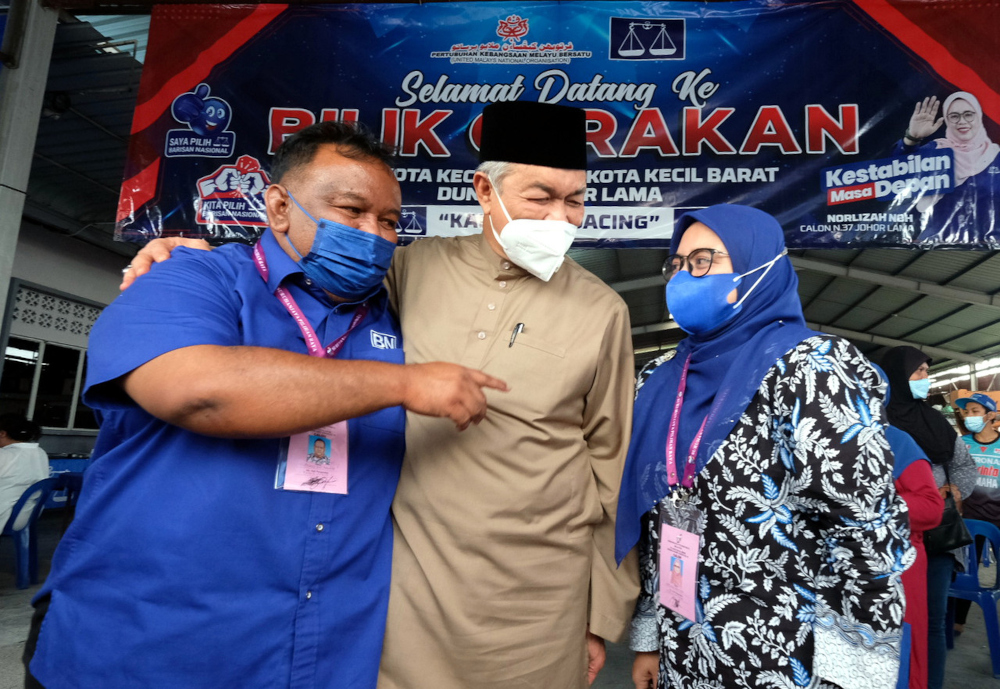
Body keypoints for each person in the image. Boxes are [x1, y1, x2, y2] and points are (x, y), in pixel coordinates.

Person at [121, 101, 639, 688]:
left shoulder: (604, 310)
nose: (559, 218)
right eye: (539, 197)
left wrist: (602, 613)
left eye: (574, 200)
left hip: (540, 599)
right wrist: (195, 255)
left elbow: (612, 464)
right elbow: (302, 278)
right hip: (408, 590)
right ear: (484, 191)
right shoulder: (409, 268)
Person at [23, 121, 506, 689]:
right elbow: (197, 389)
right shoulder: (191, 280)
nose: (373, 235)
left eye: (389, 221)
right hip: (142, 650)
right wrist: (403, 384)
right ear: (279, 206)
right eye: (351, 211)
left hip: (320, 656)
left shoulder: (399, 314)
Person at [619, 204, 912, 689]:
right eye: (677, 263)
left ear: (761, 269)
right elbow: (658, 523)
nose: (682, 277)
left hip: (788, 653)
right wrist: (650, 637)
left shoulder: (813, 369)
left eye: (703, 261)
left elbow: (864, 528)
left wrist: (854, 670)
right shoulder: (661, 379)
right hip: (685, 645)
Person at [880, 346, 977, 689]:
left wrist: (954, 491)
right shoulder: (879, 426)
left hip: (939, 535)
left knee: (931, 621)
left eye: (926, 371)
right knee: (890, 623)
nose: (925, 378)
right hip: (893, 544)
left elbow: (965, 467)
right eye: (918, 372)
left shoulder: (937, 422)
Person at [871, 363, 944, 689]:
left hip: (895, 572)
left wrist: (872, 506)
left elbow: (930, 507)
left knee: (898, 662)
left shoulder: (898, 443)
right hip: (839, 572)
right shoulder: (821, 444)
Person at [894, 92, 1000, 244]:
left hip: (987, 248)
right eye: (954, 116)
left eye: (968, 114)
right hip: (933, 247)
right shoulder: (937, 150)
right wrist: (912, 138)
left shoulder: (995, 157)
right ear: (947, 119)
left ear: (978, 116)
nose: (961, 121)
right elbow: (895, 170)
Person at [952, 392, 1000, 635]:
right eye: (966, 411)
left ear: (990, 415)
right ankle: (957, 620)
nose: (968, 416)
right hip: (970, 518)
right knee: (965, 568)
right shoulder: (962, 444)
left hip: (997, 518)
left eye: (974, 411)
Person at [0, 414, 49, 530]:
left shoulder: (5, 455)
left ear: (2, 433)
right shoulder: (40, 453)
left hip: (6, 516)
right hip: (29, 515)